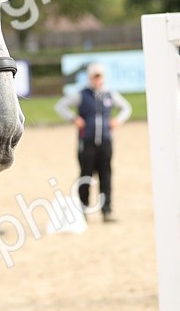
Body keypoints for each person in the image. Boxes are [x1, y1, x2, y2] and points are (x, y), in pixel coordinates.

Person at [55, 62, 131, 221]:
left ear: (102, 77)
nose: (97, 80)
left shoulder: (110, 94)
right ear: (89, 78)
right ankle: (83, 209)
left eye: (99, 76)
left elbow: (126, 108)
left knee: (106, 176)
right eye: (94, 76)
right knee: (85, 175)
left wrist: (118, 121)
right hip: (87, 142)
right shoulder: (82, 94)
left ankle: (107, 210)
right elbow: (60, 106)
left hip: (105, 141)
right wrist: (73, 118)